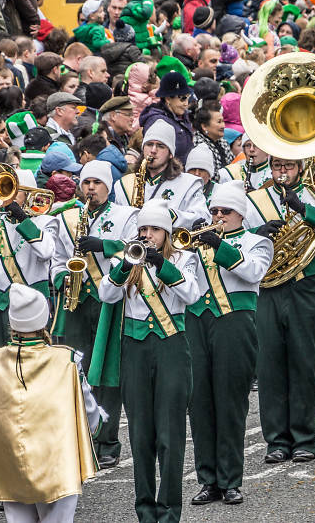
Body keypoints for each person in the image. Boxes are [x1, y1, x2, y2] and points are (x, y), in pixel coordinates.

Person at [98, 199, 200, 523]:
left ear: (166, 233)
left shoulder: (184, 258)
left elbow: (193, 294)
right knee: (141, 435)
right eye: (143, 228)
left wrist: (161, 264)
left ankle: (169, 512)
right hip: (135, 348)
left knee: (170, 435)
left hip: (171, 347)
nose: (148, 234)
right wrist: (126, 266)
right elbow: (106, 294)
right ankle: (145, 511)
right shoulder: (126, 257)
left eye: (155, 229)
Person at [243, 152, 315, 463]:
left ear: (300, 168)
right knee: (270, 365)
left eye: (288, 165)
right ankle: (276, 440)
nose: (282, 171)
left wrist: (304, 210)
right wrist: (257, 235)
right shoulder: (254, 200)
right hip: (269, 287)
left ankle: (304, 438)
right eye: (277, 165)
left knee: (305, 362)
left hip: (308, 285)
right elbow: (239, 239)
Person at [0, 283, 105, 523]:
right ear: (44, 320)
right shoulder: (66, 359)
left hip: (10, 461)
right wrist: (96, 426)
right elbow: (89, 409)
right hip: (56, 462)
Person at [185, 180, 273, 506]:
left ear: (241, 214)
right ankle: (208, 480)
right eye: (215, 210)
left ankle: (231, 479)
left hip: (235, 323)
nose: (219, 215)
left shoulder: (257, 241)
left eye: (226, 211)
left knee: (231, 403)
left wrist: (218, 246)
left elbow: (253, 273)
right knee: (201, 403)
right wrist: (189, 247)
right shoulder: (196, 243)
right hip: (196, 321)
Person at [51, 160, 138, 470]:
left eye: (96, 183)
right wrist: (62, 277)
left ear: (108, 186)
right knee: (77, 371)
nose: (90, 188)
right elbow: (58, 260)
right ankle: (81, 439)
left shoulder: (126, 216)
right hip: (76, 302)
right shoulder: (68, 218)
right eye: (86, 182)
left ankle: (108, 441)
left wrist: (105, 244)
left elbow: (133, 251)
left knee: (106, 373)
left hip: (109, 301)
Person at [0, 169, 58, 353]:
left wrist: (23, 219)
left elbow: (46, 251)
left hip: (33, 304)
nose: (10, 197)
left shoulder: (46, 222)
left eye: (16, 192)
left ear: (30, 194)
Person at [114, 119, 211, 229]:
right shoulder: (123, 184)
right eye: (149, 144)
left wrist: (171, 216)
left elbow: (204, 218)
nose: (153, 150)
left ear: (170, 153)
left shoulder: (189, 183)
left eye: (160, 146)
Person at [138, 72, 195, 164]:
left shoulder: (182, 116)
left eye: (188, 98)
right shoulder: (157, 122)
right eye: (182, 98)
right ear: (168, 99)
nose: (186, 104)